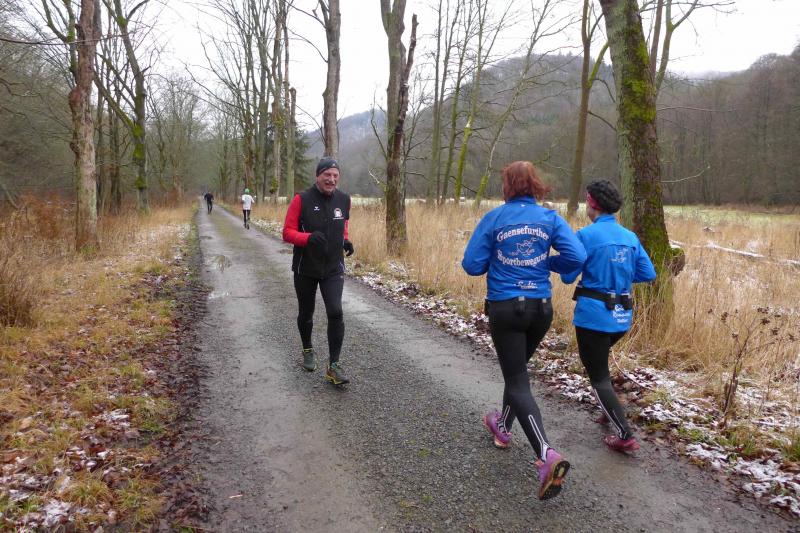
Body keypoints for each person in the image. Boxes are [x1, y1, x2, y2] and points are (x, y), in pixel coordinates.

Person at [462, 161, 586, 501]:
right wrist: (548, 262)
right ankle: (502, 427)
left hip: (506, 308)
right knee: (516, 373)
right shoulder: (549, 219)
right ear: (535, 185)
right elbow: (577, 255)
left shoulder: (495, 218)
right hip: (541, 309)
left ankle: (547, 455)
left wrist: (496, 260)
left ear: (507, 186)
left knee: (517, 380)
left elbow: (471, 265)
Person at [560, 179, 656, 453]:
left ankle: (624, 435)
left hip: (593, 318)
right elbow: (648, 273)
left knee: (598, 375)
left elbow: (567, 276)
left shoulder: (585, 236)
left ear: (592, 204)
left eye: (586, 200)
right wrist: (618, 275)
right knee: (600, 364)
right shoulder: (630, 237)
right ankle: (608, 409)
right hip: (622, 318)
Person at [282, 157, 355, 385]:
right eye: (327, 175)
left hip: (333, 267)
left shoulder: (344, 199)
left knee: (336, 311)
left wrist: (345, 240)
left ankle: (334, 366)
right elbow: (287, 232)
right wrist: (308, 238)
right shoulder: (301, 199)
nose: (331, 179)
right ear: (318, 176)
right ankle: (307, 349)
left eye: (335, 176)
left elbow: (343, 224)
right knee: (306, 312)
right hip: (306, 267)